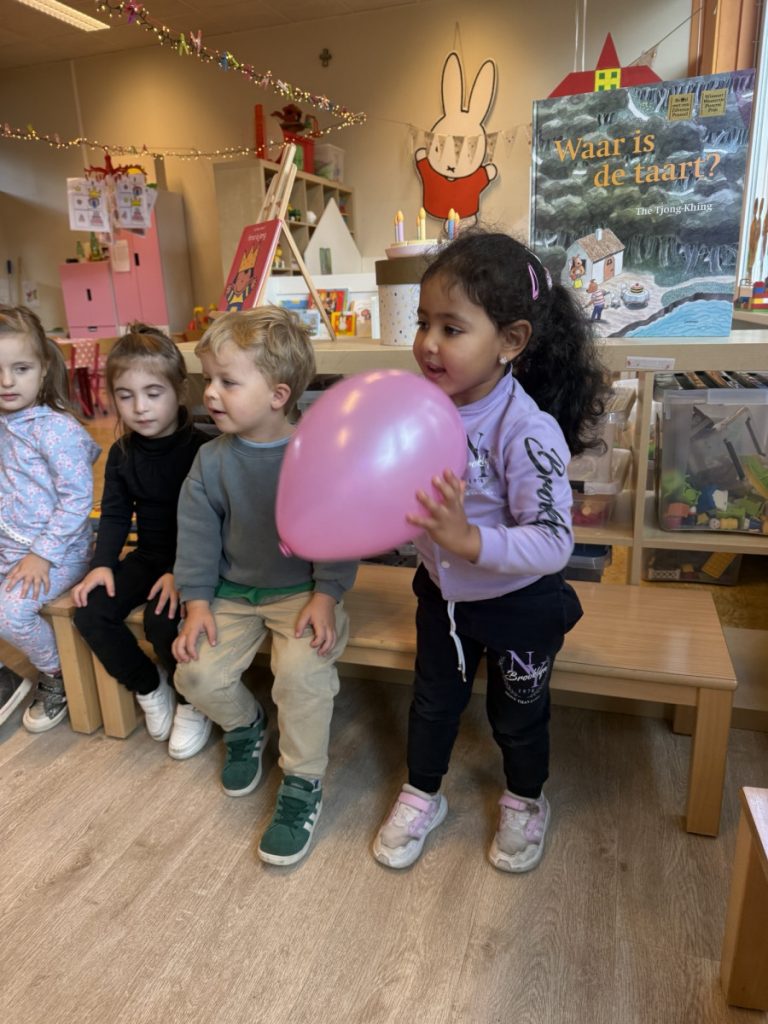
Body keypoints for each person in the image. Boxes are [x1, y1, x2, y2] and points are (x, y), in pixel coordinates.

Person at [373, 230, 607, 873]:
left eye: (452, 328)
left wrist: (469, 539)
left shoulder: (525, 430)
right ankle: (422, 793)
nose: (428, 342)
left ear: (511, 341)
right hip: (443, 600)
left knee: (518, 716)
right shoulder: (421, 409)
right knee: (432, 705)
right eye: (423, 322)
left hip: (519, 606)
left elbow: (554, 540)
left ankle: (526, 800)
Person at [172, 307, 356, 866]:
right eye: (209, 380)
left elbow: (339, 529)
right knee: (194, 673)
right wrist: (196, 603)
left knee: (302, 675)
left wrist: (326, 595)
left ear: (278, 395)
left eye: (228, 382)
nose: (210, 393)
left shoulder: (317, 455)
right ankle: (246, 725)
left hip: (303, 593)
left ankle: (302, 781)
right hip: (231, 593)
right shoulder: (209, 461)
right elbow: (197, 536)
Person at [72, 326, 211, 758]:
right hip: (149, 556)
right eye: (125, 395)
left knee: (163, 621)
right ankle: (150, 686)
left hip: (201, 561)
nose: (140, 407)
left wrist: (181, 572)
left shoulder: (205, 450)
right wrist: (102, 563)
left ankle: (191, 700)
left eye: (153, 393)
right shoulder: (122, 453)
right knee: (90, 611)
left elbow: (218, 524)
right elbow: (115, 514)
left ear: (179, 390)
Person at [0, 305, 100, 733]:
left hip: (59, 553)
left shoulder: (56, 430)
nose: (6, 381)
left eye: (20, 368)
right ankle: (10, 680)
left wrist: (42, 554)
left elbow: (78, 501)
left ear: (42, 369)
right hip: (11, 546)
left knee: (8, 615)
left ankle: (58, 672)